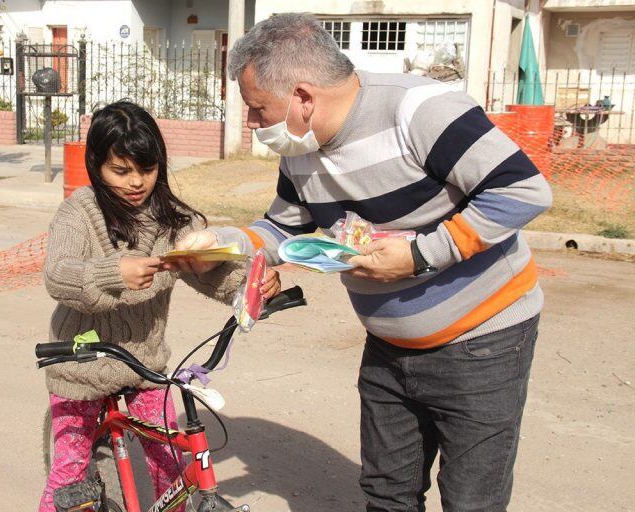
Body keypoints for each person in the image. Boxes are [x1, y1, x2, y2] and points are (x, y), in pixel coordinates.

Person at [179, 13, 553, 512]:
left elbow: (523, 189)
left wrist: (420, 256)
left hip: (483, 343)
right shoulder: (300, 149)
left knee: (471, 501)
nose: (251, 123)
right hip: (388, 348)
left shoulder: (421, 111)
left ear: (303, 98)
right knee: (386, 495)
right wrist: (220, 242)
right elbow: (281, 229)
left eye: (256, 109)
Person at [39, 101, 281, 512]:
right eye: (122, 171)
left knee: (171, 465)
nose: (136, 182)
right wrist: (114, 273)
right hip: (79, 363)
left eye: (147, 170)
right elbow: (58, 275)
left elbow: (209, 271)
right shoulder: (78, 213)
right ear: (96, 165)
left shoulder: (172, 219)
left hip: (143, 366)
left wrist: (253, 285)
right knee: (70, 478)